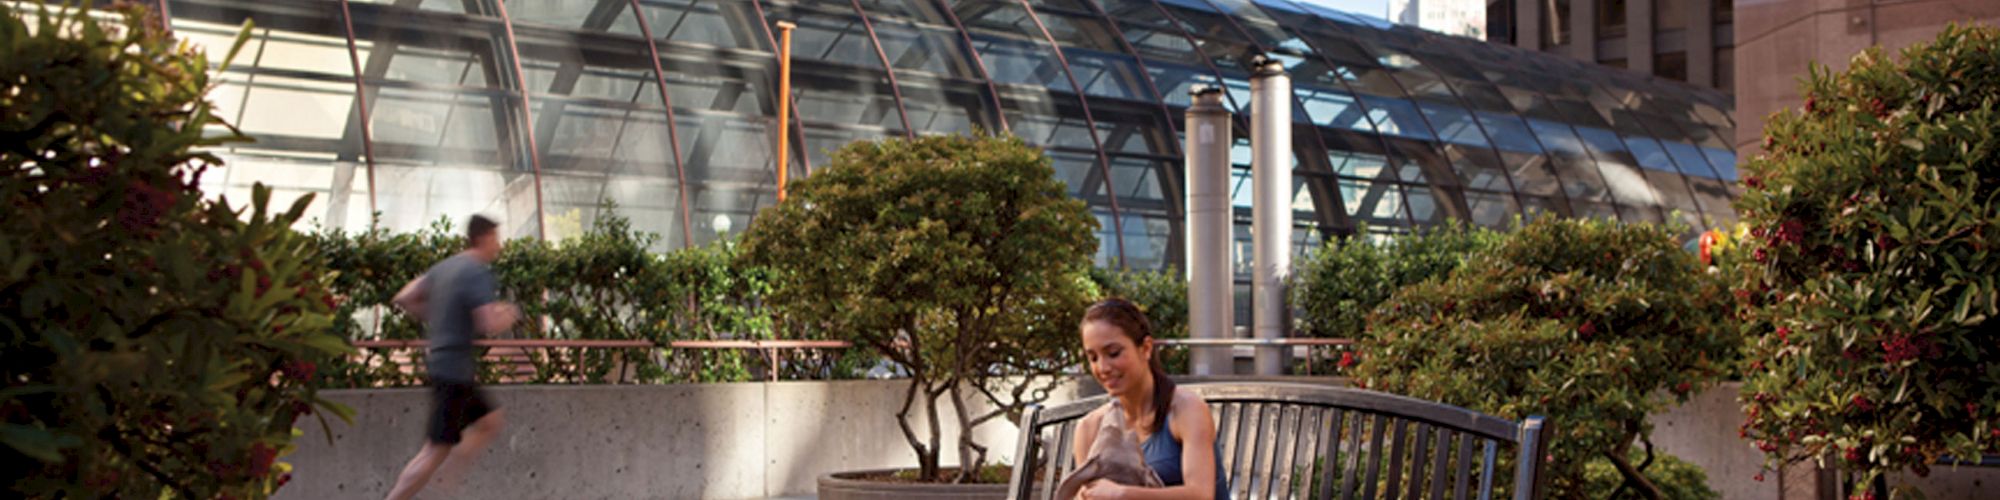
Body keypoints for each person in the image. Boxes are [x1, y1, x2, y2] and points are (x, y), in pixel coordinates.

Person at [385, 215, 518, 500]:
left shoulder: (444, 267)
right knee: (434, 450)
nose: (499, 245)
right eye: (496, 238)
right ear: (482, 238)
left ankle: (451, 473)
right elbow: (488, 324)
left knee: (491, 421)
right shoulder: (476, 272)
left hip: (449, 367)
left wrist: (440, 318)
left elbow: (405, 296)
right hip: (454, 371)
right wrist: (509, 314)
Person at [1072, 298, 1226, 500]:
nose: (1103, 368)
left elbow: (1200, 495)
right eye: (1093, 358)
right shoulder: (1090, 428)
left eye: (1113, 353)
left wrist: (1121, 494)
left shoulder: (1186, 409)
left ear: (1145, 348)